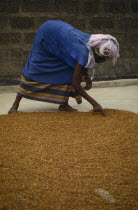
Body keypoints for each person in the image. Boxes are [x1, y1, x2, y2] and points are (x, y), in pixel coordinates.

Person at [8, 20, 119, 115]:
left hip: (58, 35)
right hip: (47, 33)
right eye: (103, 58)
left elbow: (79, 64)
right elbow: (75, 84)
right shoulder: (83, 52)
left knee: (70, 70)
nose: (103, 61)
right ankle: (16, 103)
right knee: (34, 69)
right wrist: (95, 104)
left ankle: (63, 104)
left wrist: (86, 76)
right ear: (97, 52)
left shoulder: (91, 43)